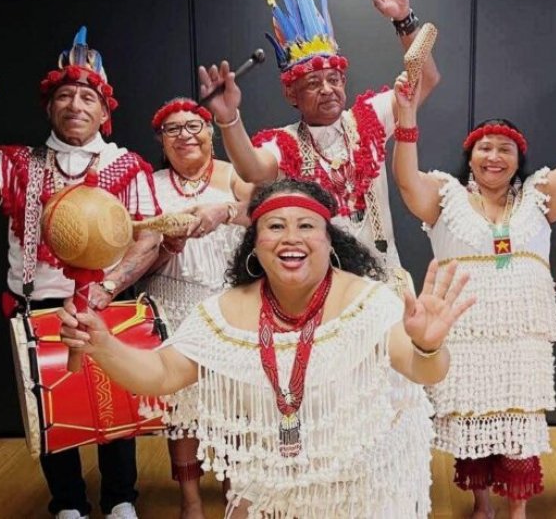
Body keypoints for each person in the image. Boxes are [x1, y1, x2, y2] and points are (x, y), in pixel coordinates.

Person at [57, 178, 474, 518]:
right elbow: (163, 373)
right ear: (253, 245)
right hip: (271, 481)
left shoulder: (370, 300)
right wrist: (103, 344)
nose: (290, 237)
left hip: (361, 489)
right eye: (275, 226)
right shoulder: (223, 311)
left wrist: (426, 345)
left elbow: (423, 371)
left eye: (306, 226)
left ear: (331, 242)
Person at [391, 48, 556, 518]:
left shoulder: (540, 197)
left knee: (519, 425)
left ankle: (517, 510)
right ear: (470, 157)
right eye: (485, 148)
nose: (494, 156)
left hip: (522, 335)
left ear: (518, 159)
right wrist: (406, 124)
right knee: (472, 420)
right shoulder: (445, 196)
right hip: (463, 331)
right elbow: (406, 183)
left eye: (505, 149)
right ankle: (482, 503)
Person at [0, 27, 161, 519]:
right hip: (36, 307)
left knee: (115, 402)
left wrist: (108, 286)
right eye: (64, 95)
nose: (76, 104)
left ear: (104, 111)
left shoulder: (129, 165)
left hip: (107, 303)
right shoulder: (13, 162)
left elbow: (149, 238)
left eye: (87, 96)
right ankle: (68, 505)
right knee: (51, 409)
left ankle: (122, 499)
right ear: (50, 107)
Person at [196, 0, 440, 292]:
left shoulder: (370, 117)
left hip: (385, 283)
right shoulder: (285, 144)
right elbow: (252, 167)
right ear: (291, 94)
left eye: (334, 79)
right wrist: (229, 119)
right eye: (313, 82)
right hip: (322, 290)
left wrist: (404, 20)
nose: (327, 89)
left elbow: (427, 78)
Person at [143, 97, 254, 518]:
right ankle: (190, 501)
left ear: (210, 132)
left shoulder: (233, 175)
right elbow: (136, 249)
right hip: (171, 299)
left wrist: (225, 210)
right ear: (162, 140)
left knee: (234, 404)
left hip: (229, 302)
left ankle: (235, 493)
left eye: (194, 126)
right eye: (173, 130)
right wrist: (166, 244)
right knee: (181, 409)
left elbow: (259, 213)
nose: (185, 135)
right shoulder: (151, 184)